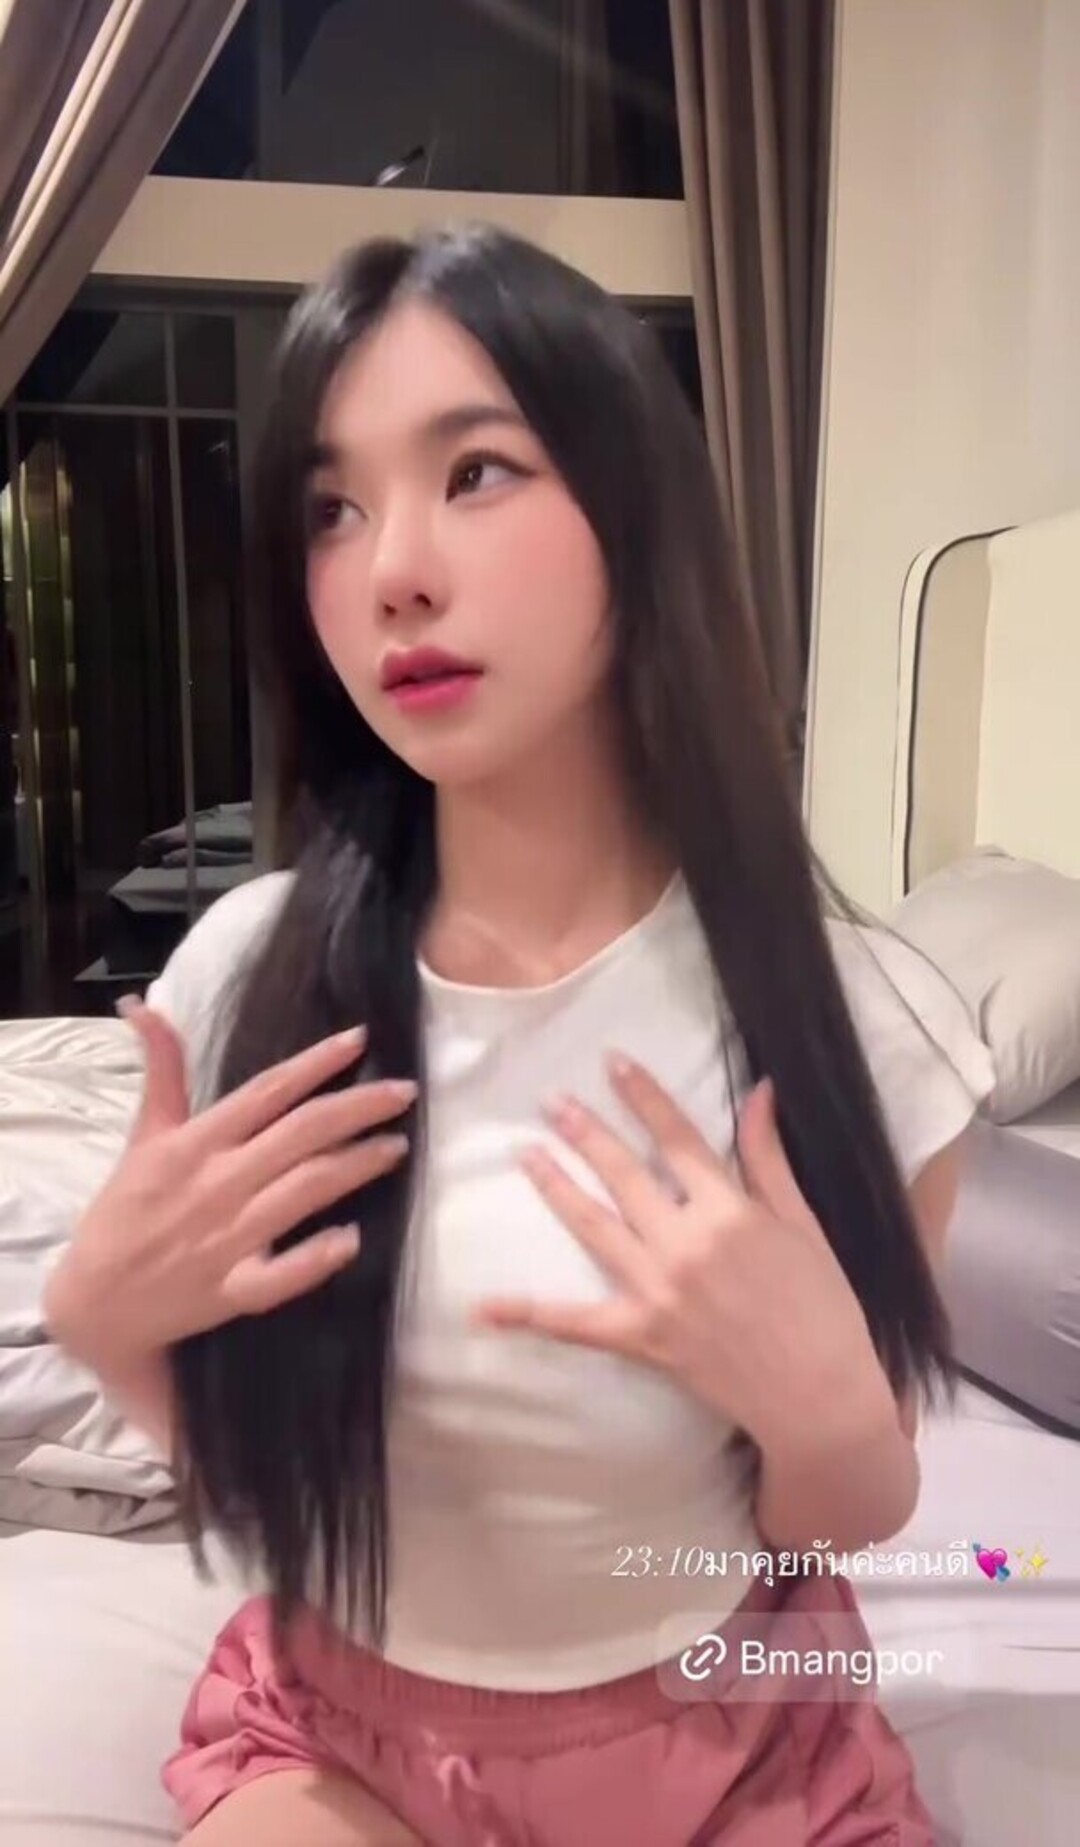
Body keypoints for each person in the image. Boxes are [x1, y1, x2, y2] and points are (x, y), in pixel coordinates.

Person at [45, 225, 994, 1845]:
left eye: (475, 472)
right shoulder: (250, 979)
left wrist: (827, 1412)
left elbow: (836, 1519)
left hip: (742, 1746)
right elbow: (280, 1486)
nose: (392, 571)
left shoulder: (856, 1021)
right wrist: (106, 1323)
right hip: (344, 1735)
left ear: (638, 514)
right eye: (332, 509)